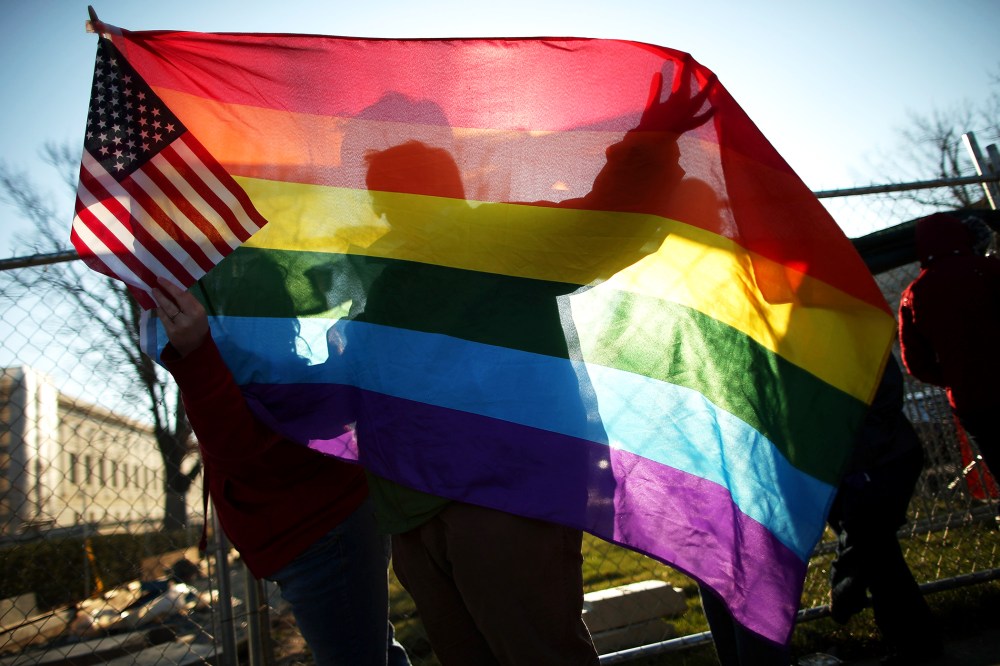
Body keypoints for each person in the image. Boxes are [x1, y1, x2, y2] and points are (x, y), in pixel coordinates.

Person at [342, 65, 716, 666]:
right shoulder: (377, 283)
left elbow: (598, 227)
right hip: (419, 511)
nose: (393, 203)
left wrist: (649, 142)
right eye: (389, 192)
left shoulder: (490, 242)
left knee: (536, 652)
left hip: (496, 499)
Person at [149, 276, 410, 666]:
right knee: (372, 649)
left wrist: (198, 355)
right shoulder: (272, 377)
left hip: (325, 532)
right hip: (323, 530)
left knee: (359, 654)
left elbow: (238, 445)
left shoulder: (271, 379)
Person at [826, 356, 942, 665]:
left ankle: (915, 646)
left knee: (872, 546)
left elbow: (885, 391)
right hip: (854, 462)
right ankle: (915, 647)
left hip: (874, 459)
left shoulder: (846, 326)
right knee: (881, 556)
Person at [898, 212, 1000, 477]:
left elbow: (916, 363)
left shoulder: (914, 294)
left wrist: (953, 377)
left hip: (972, 400)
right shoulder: (989, 270)